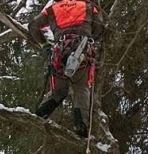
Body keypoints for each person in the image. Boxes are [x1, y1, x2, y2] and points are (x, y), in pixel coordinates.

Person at [28, 0, 104, 138]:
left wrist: (45, 44)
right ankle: (81, 125)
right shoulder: (88, 6)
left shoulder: (52, 9)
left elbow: (33, 26)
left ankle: (40, 114)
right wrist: (90, 36)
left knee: (59, 91)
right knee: (81, 88)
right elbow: (99, 27)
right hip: (82, 49)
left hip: (60, 51)